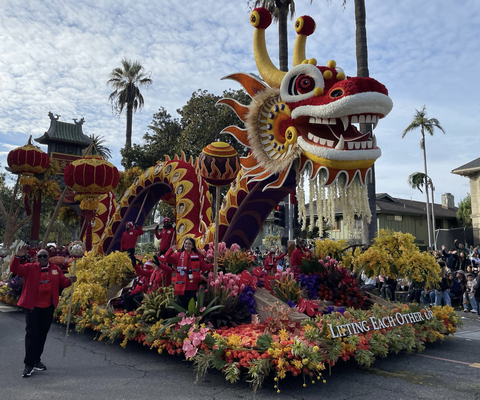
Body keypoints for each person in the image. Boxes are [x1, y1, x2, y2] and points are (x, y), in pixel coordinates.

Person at [10, 245, 77, 378]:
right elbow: (14, 269)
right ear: (36, 258)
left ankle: (36, 360)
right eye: (39, 256)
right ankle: (28, 364)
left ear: (48, 258)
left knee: (42, 335)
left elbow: (63, 283)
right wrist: (18, 256)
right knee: (31, 335)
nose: (41, 258)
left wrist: (70, 280)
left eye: (44, 256)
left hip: (48, 307)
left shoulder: (55, 269)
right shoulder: (30, 268)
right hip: (33, 307)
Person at [164, 237, 212, 309]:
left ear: (193, 246)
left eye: (189, 244)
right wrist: (170, 250)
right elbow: (166, 259)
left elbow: (204, 267)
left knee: (191, 306)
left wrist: (213, 265)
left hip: (192, 285)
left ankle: (191, 320)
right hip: (181, 286)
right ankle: (182, 320)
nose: (187, 245)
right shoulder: (178, 255)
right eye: (186, 243)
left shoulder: (197, 256)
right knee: (182, 306)